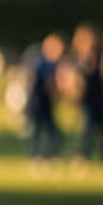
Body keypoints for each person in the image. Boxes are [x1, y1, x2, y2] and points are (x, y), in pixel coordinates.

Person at [71, 24, 103, 164]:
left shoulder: (99, 57)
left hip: (100, 97)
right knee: (87, 128)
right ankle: (81, 155)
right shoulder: (78, 58)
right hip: (87, 99)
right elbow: (75, 80)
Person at [24, 32, 66, 166]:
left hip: (45, 104)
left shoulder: (46, 62)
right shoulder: (44, 63)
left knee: (48, 131)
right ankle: (40, 157)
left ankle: (44, 156)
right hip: (38, 104)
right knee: (42, 131)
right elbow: (50, 84)